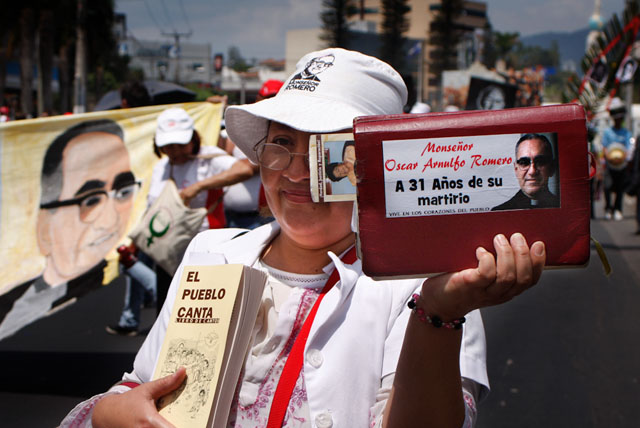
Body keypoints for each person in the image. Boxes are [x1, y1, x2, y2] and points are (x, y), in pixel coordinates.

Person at [62, 48, 546, 428]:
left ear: (376, 168)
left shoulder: (426, 287)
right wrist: (111, 411)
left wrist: (438, 314)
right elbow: (141, 389)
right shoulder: (211, 255)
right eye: (281, 144)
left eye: (327, 152)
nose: (296, 173)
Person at [106, 107, 253, 336]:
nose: (174, 151)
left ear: (192, 138)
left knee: (202, 317)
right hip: (169, 255)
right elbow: (154, 207)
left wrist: (198, 187)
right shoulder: (161, 168)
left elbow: (246, 168)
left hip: (205, 254)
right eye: (168, 146)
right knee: (166, 314)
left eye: (180, 144)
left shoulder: (209, 158)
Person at [0, 119, 137, 339]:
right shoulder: (10, 307)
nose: (110, 220)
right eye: (91, 201)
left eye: (123, 192)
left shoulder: (119, 273)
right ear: (44, 225)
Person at [220, 80, 283, 229]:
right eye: (266, 99)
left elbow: (250, 167)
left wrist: (198, 187)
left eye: (274, 99)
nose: (269, 103)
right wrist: (218, 111)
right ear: (258, 99)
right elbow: (220, 156)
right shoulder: (239, 131)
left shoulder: (282, 137)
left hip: (262, 217)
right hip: (231, 216)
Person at [492, 133, 560, 211]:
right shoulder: (499, 212)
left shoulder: (565, 209)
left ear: (552, 168)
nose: (532, 171)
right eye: (524, 162)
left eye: (540, 162)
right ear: (516, 169)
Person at [601, 98, 632, 221]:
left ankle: (618, 209)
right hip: (610, 164)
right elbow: (604, 147)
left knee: (620, 188)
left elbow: (629, 147)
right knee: (607, 187)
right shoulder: (608, 132)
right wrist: (608, 157)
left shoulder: (626, 133)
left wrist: (625, 158)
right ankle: (608, 208)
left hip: (622, 164)